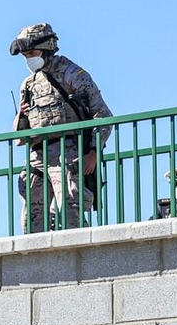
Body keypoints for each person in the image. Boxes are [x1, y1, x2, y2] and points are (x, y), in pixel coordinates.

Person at [11, 23, 111, 232]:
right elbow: (20, 136)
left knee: (68, 212)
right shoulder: (28, 84)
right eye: (25, 55)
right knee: (31, 219)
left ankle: (79, 250)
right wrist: (21, 115)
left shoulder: (72, 74)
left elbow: (102, 116)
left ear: (47, 48)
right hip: (37, 155)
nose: (29, 59)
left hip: (67, 153)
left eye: (32, 53)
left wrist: (93, 153)